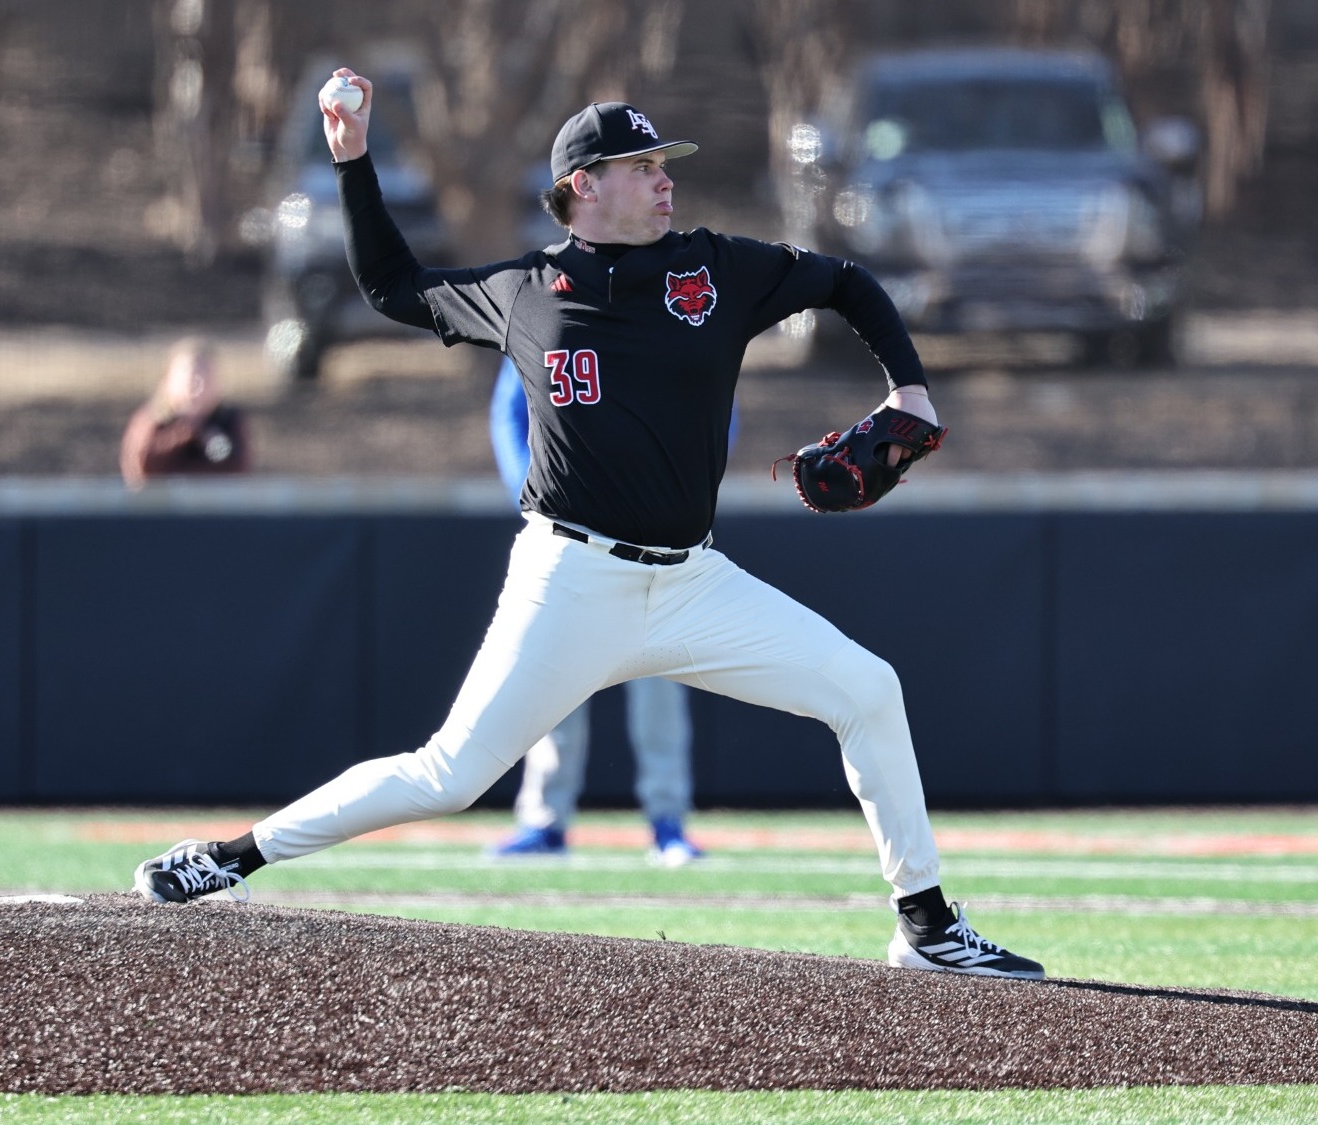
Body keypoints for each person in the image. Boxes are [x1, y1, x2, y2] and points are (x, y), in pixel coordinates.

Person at [132, 72, 1046, 982]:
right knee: (448, 777)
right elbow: (389, 286)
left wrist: (908, 388)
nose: (664, 178)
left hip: (692, 583)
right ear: (584, 187)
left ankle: (924, 924)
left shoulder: (713, 268)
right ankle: (231, 855)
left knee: (869, 688)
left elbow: (846, 282)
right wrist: (354, 158)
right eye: (640, 165)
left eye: (662, 163)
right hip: (568, 580)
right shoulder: (525, 289)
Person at [487, 356, 704, 866]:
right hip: (570, 532)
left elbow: (715, 401)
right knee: (552, 682)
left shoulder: (662, 304)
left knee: (660, 681)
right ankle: (544, 821)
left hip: (652, 532)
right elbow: (509, 410)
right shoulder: (544, 303)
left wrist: (688, 485)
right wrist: (533, 491)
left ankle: (668, 821)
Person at [120, 338, 252, 488]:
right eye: (191, 377)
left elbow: (236, 468)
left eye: (206, 376)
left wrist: (206, 437)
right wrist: (185, 433)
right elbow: (143, 468)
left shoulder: (228, 422)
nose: (198, 386)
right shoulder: (154, 420)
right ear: (168, 380)